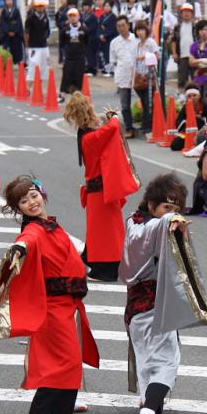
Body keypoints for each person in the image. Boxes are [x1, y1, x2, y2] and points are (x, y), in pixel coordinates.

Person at [0, 176, 99, 414]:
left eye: (33, 195)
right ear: (18, 209)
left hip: (66, 303)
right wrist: (19, 249)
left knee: (68, 356)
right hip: (52, 306)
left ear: (42, 194)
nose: (31, 203)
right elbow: (26, 242)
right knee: (65, 359)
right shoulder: (34, 230)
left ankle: (63, 403)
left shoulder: (49, 224)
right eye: (23, 201)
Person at [120, 173, 207, 414]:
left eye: (175, 209)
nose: (170, 213)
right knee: (167, 360)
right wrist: (170, 221)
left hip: (138, 309)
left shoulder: (136, 222)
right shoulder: (146, 227)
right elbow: (152, 230)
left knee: (148, 360)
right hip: (151, 308)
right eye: (166, 207)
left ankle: (149, 407)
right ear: (151, 205)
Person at [63, 92, 141, 281]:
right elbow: (113, 127)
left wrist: (111, 119)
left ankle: (105, 271)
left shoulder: (88, 137)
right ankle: (100, 263)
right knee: (106, 232)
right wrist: (113, 116)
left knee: (103, 233)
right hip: (101, 190)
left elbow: (110, 129)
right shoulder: (93, 137)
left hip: (99, 192)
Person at [110, 16, 139, 137]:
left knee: (144, 99)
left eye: (123, 25)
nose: (121, 28)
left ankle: (146, 125)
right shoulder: (114, 42)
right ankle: (129, 127)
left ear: (128, 25)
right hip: (122, 74)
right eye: (119, 26)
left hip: (137, 74)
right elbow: (113, 61)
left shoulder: (136, 39)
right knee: (125, 104)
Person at [133, 21, 159, 135]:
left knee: (149, 101)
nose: (140, 32)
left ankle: (149, 125)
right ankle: (145, 124)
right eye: (138, 30)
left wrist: (144, 56)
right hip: (139, 75)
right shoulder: (137, 44)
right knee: (143, 101)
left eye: (142, 30)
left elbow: (157, 55)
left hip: (149, 75)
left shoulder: (151, 42)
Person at [59, 8, 88, 98]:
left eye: (74, 15)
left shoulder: (84, 29)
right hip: (69, 57)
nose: (73, 18)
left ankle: (78, 94)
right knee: (67, 75)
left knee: (79, 76)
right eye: (70, 16)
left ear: (78, 16)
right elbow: (62, 44)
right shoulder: (65, 30)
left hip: (80, 57)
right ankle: (62, 94)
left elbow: (87, 42)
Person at [170, 85, 206, 152]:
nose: (192, 98)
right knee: (174, 145)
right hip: (188, 133)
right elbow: (178, 123)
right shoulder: (185, 107)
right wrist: (187, 121)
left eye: (194, 95)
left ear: (199, 96)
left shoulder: (205, 106)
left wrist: (199, 118)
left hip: (202, 132)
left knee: (202, 140)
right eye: (189, 96)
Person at [171, 3, 196, 97]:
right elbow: (173, 41)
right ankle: (181, 97)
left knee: (195, 77)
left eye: (189, 12)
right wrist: (174, 53)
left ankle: (195, 95)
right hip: (182, 56)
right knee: (182, 78)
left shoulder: (195, 26)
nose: (186, 14)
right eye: (184, 11)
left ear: (192, 14)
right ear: (181, 14)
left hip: (194, 57)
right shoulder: (177, 27)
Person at [24, 0, 51, 82]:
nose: (40, 8)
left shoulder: (46, 18)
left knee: (44, 66)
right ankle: (29, 87)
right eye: (38, 6)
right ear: (34, 7)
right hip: (34, 46)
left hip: (44, 45)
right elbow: (27, 33)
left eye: (42, 6)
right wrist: (27, 45)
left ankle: (41, 88)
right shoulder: (30, 18)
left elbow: (48, 30)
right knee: (33, 65)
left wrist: (46, 38)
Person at [0, 0, 24, 65]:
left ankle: (19, 62)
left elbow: (19, 22)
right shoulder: (3, 11)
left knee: (17, 49)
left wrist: (14, 31)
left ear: (13, 1)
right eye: (7, 0)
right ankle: (7, 64)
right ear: (5, 2)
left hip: (16, 34)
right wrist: (8, 31)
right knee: (7, 49)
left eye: (10, 0)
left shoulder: (16, 11)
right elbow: (2, 23)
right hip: (6, 35)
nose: (9, 2)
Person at [99, 0, 118, 76]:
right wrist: (100, 35)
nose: (106, 7)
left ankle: (111, 71)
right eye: (105, 6)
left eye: (108, 6)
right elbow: (99, 27)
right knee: (105, 54)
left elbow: (112, 28)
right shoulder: (102, 16)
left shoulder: (113, 17)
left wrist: (105, 35)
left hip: (110, 38)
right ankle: (106, 69)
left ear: (111, 7)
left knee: (111, 54)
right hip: (103, 39)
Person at [81, 0, 100, 75]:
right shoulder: (83, 15)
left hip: (92, 38)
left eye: (87, 5)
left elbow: (92, 28)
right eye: (84, 5)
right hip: (85, 38)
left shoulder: (93, 16)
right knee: (86, 54)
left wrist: (84, 26)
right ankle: (88, 67)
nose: (85, 7)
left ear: (90, 6)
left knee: (92, 54)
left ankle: (93, 69)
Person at [54, 0, 69, 65]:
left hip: (69, 30)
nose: (62, 0)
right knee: (62, 46)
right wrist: (63, 23)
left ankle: (67, 59)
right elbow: (57, 21)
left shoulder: (70, 8)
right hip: (61, 30)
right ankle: (62, 60)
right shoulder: (59, 10)